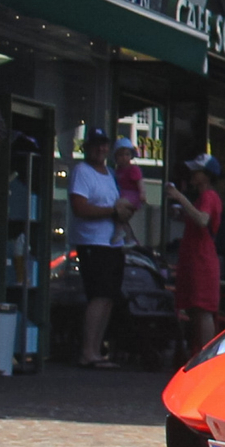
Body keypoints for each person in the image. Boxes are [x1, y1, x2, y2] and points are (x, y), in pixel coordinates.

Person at [69, 130, 136, 366]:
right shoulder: (81, 172)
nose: (100, 149)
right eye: (96, 145)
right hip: (92, 243)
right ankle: (87, 351)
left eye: (104, 145)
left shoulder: (109, 173)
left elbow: (117, 204)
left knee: (108, 297)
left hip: (112, 243)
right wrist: (112, 211)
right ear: (87, 147)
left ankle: (97, 350)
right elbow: (79, 207)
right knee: (98, 295)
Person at [170, 154, 225, 355]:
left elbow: (203, 220)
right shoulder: (203, 197)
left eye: (197, 171)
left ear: (207, 175)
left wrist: (179, 197)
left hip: (203, 259)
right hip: (195, 259)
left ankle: (206, 356)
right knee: (195, 309)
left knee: (203, 310)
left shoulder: (209, 196)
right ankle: (198, 353)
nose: (193, 174)